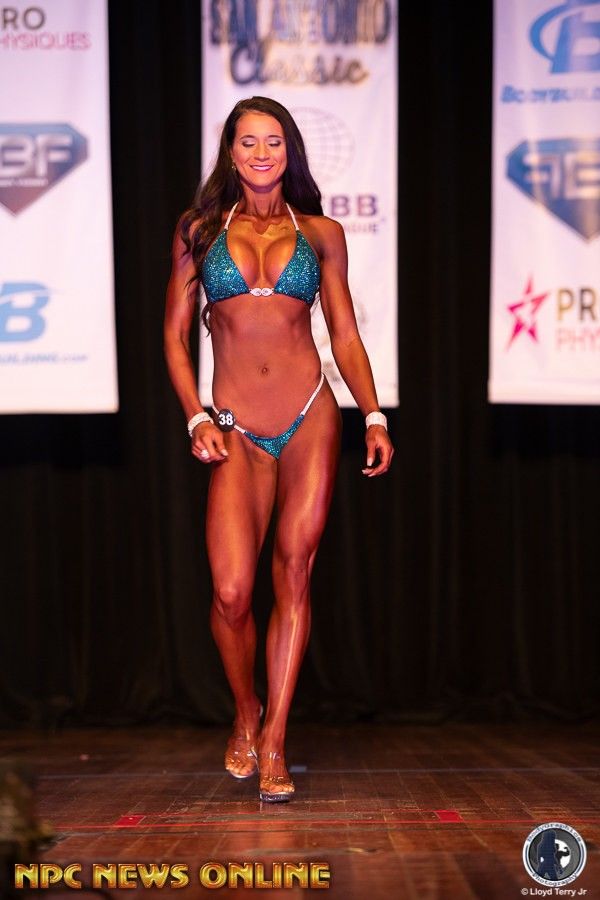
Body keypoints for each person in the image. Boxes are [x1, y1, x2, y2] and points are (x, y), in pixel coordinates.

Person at [164, 96, 393, 803]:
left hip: (308, 416)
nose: (261, 154)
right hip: (235, 425)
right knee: (232, 593)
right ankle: (246, 709)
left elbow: (344, 334)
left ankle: (275, 741)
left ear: (288, 151)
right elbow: (174, 335)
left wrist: (374, 414)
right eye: (248, 142)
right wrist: (195, 416)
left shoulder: (321, 233)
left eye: (273, 142)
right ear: (230, 153)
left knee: (294, 574)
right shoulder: (200, 229)